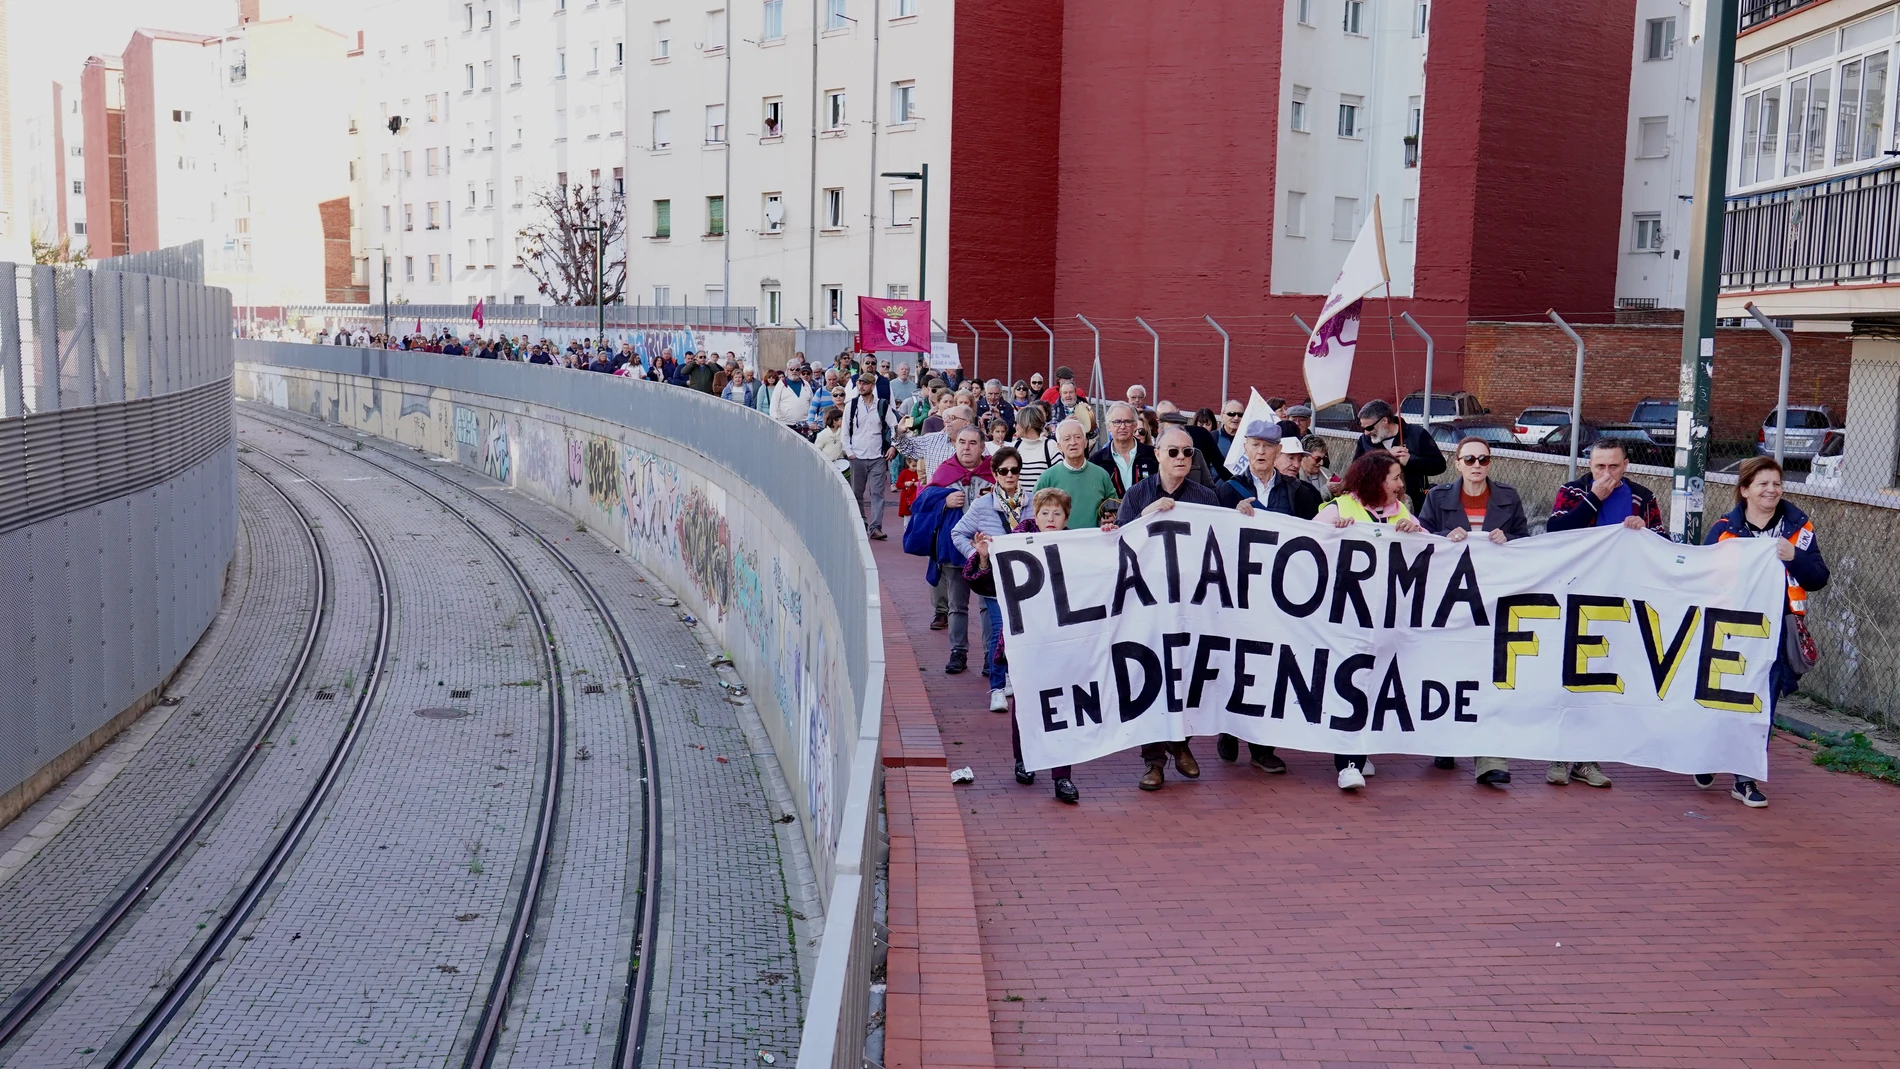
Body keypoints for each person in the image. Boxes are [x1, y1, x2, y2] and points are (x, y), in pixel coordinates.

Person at [1701, 457, 1828, 808]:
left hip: (1775, 633)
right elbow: (1702, 575)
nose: (1772, 490)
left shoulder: (1799, 528)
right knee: (1721, 699)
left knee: (1763, 703)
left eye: (1777, 484)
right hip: (1728, 630)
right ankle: (1708, 756)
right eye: (1763, 484)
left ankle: (1745, 778)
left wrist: (1793, 556)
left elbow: (1818, 578)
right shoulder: (1725, 529)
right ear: (1745, 490)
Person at [1416, 437, 1531, 786]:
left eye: (1483, 459)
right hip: (1450, 600)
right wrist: (1443, 537)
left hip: (1493, 598)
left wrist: (1509, 541)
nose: (1477, 465)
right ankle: (1446, 739)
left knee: (1488, 672)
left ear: (1490, 463)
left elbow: (1527, 541)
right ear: (1457, 463)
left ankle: (1489, 755)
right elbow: (1420, 539)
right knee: (1450, 669)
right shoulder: (1437, 498)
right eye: (1469, 459)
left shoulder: (1508, 496)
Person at [1210, 421, 1319, 775]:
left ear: (1278, 451)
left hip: (1281, 597)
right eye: (1255, 445)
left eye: (1268, 446)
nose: (1261, 451)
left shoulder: (1299, 492)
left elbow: (1317, 536)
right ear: (1245, 448)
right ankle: (1229, 729)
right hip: (1239, 594)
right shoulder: (1225, 491)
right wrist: (1232, 519)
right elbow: (1211, 538)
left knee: (1271, 667)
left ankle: (1262, 747)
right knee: (1236, 663)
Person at [1117, 426, 1222, 790]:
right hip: (1148, 602)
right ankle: (1154, 762)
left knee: (1189, 675)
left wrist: (1242, 513)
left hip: (1191, 602)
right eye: (1173, 451)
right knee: (1151, 677)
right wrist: (1147, 515)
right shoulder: (1137, 494)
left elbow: (1222, 541)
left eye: (1188, 452)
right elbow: (1119, 543)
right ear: (1158, 454)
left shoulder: (1205, 497)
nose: (1181, 458)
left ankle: (1180, 742)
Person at [1314, 451, 1424, 791]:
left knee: (1375, 684)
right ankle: (1348, 762)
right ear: (1376, 480)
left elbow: (1430, 554)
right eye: (1395, 478)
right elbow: (1305, 547)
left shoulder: (1400, 511)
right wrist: (1332, 534)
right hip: (1346, 616)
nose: (1400, 484)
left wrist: (1415, 532)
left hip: (1386, 618)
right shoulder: (1338, 508)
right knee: (1351, 683)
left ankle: (1361, 748)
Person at [982, 487, 1081, 804]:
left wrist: (1108, 537)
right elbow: (983, 583)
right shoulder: (1015, 544)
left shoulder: (1079, 545)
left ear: (1066, 517)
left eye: (1057, 513)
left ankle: (1062, 776)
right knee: (1025, 702)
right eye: (1044, 513)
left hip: (1063, 640)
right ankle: (1024, 757)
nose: (1050, 518)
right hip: (1026, 641)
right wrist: (983, 556)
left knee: (1063, 705)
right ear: (1034, 516)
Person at [953, 445, 1027, 712]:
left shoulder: (1032, 502)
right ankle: (996, 689)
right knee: (998, 632)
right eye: (1003, 471)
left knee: (1020, 633)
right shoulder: (983, 505)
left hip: (1025, 582)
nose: (1010, 476)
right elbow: (958, 533)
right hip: (995, 581)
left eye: (1014, 470)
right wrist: (977, 555)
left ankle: (1011, 677)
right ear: (995, 474)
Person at [926, 427, 993, 673]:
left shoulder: (994, 471)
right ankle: (958, 652)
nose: (966, 447)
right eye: (962, 442)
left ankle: (991, 654)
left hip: (987, 551)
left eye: (972, 443)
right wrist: (944, 501)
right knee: (957, 605)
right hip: (955, 549)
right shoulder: (945, 470)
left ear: (982, 447)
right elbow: (924, 503)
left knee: (988, 605)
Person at [1353, 399, 1447, 514]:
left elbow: (1439, 465)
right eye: (1363, 428)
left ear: (1384, 421)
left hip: (1413, 504)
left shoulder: (1416, 434)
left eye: (1369, 428)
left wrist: (1411, 460)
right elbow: (1356, 471)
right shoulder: (1365, 440)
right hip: (1375, 505)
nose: (1366, 433)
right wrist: (1385, 456)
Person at [843, 371, 900, 541]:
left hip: (878, 456)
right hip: (857, 456)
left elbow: (895, 426)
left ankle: (875, 527)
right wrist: (849, 452)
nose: (861, 386)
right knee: (857, 493)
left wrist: (893, 446)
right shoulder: (851, 405)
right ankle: (861, 523)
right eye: (859, 383)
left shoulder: (882, 405)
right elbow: (844, 431)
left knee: (877, 493)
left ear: (872, 386)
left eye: (865, 383)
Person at [1034, 420, 1118, 531]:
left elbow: (1115, 507)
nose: (1073, 442)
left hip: (1094, 539)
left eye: (1077, 437)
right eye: (1067, 439)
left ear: (1085, 442)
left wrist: (1111, 518)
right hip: (1059, 540)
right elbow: (1034, 513)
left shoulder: (1101, 475)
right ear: (1059, 446)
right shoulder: (1047, 477)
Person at [1088, 402, 1158, 497]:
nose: (1122, 426)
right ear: (1109, 426)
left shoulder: (1153, 456)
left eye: (1127, 421)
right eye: (1117, 422)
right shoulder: (1096, 461)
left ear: (1135, 425)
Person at [1012, 406, 1058, 487]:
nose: (1014, 426)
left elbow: (1059, 478)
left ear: (1028, 424)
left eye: (1016, 423)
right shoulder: (1014, 447)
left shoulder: (1050, 446)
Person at [1298, 434, 1337, 502]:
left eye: (1323, 458)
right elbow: (1306, 501)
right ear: (1304, 456)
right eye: (1318, 459)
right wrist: (1327, 489)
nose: (1321, 463)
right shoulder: (1295, 476)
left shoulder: (1328, 474)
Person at [812, 407, 847, 471]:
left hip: (841, 463)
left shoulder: (843, 432)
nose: (844, 420)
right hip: (826, 465)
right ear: (834, 420)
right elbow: (817, 450)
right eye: (841, 418)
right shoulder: (822, 434)